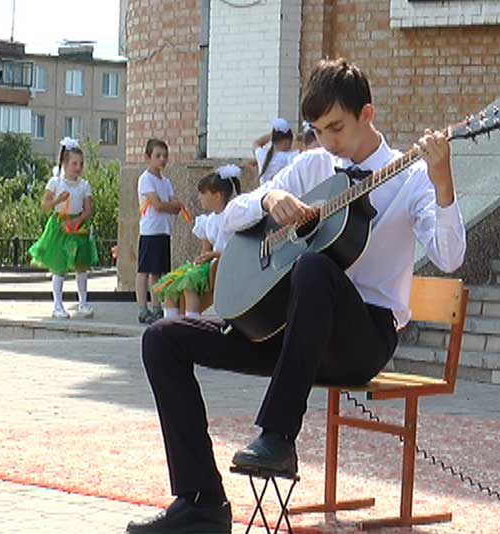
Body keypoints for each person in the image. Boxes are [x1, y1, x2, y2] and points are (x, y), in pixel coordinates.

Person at [127, 58, 466, 534]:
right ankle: (201, 501)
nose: (329, 141)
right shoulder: (313, 166)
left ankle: (278, 437)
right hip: (291, 334)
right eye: (318, 130)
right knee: (162, 339)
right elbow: (230, 220)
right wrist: (267, 201)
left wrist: (444, 182)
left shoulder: (409, 178)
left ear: (367, 114)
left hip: (361, 338)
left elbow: (450, 257)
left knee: (313, 267)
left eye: (337, 128)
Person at [152, 164, 241, 319]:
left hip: (225, 266)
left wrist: (212, 255)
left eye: (203, 193)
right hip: (210, 265)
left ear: (217, 195)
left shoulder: (233, 217)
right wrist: (201, 259)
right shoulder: (209, 220)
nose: (199, 197)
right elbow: (205, 250)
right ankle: (171, 325)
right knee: (171, 283)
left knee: (188, 283)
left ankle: (192, 322)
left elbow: (237, 249)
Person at [29, 137, 98, 319]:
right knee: (59, 266)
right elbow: (44, 205)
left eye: (81, 163)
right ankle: (57, 305)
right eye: (74, 163)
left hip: (78, 227)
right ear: (65, 164)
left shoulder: (84, 185)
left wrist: (78, 221)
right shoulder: (56, 183)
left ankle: (83, 302)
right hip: (60, 226)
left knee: (81, 266)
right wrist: (58, 200)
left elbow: (88, 209)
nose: (78, 167)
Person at [136, 139, 182, 324]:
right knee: (144, 271)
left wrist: (169, 206)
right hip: (150, 231)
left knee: (158, 272)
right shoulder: (145, 179)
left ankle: (157, 307)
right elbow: (157, 205)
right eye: (158, 156)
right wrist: (169, 205)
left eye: (165, 156)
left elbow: (176, 205)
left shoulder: (166, 181)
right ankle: (142, 308)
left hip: (164, 231)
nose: (162, 160)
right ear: (148, 157)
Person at [252, 117, 299, 184]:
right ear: (287, 142)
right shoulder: (290, 156)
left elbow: (256, 142)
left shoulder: (262, 155)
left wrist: (272, 135)